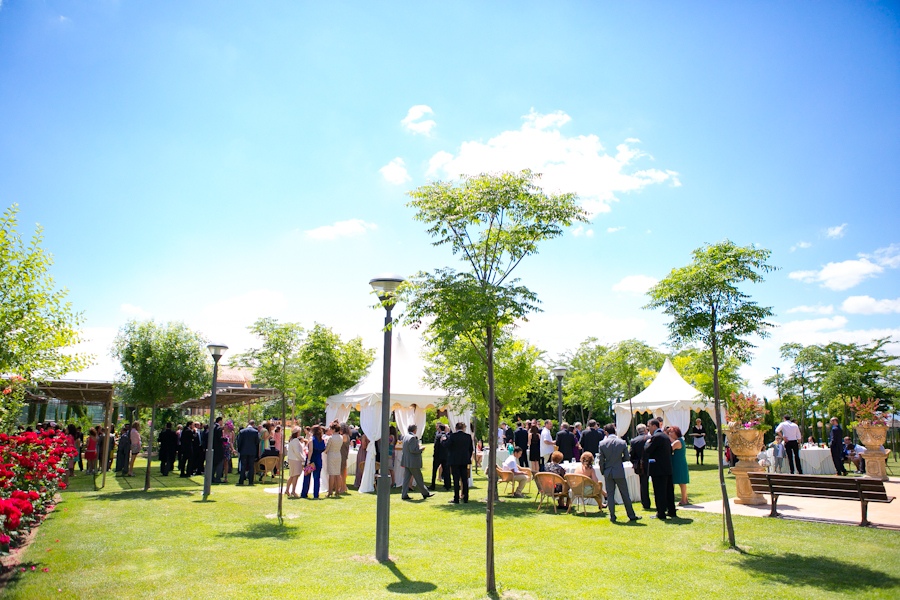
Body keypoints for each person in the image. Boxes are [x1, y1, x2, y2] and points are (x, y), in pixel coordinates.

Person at [597, 424, 640, 522]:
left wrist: (603, 471)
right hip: (619, 470)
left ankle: (612, 515)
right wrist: (619, 460)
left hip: (608, 471)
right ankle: (631, 515)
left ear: (606, 432)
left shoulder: (602, 443)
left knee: (610, 495)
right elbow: (627, 457)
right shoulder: (622, 442)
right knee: (625, 494)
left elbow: (601, 460)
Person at [645, 419, 676, 520]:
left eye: (649, 425)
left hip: (658, 469)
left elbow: (647, 450)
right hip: (667, 468)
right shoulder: (665, 436)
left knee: (659, 491)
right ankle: (671, 510)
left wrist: (647, 442)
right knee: (668, 491)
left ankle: (661, 512)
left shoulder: (656, 437)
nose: (648, 428)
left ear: (654, 426)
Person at [400, 424, 431, 501]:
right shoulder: (413, 438)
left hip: (406, 461)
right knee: (419, 478)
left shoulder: (405, 436)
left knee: (406, 479)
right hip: (413, 462)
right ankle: (425, 493)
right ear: (415, 430)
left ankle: (404, 494)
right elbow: (413, 450)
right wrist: (421, 449)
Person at [445, 422, 474, 504]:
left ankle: (456, 498)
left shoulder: (453, 436)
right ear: (464, 428)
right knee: (465, 479)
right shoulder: (468, 437)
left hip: (454, 461)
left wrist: (443, 440)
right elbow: (471, 449)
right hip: (464, 460)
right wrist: (468, 457)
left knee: (456, 479)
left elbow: (446, 445)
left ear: (456, 428)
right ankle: (466, 497)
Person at [629, 423, 652, 510]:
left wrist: (635, 463)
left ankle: (646, 503)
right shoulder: (651, 438)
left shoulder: (634, 441)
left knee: (643, 484)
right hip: (652, 463)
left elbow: (631, 454)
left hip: (641, 465)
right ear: (645, 430)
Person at [301, 425, 326, 498]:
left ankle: (304, 493)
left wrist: (308, 460)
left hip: (312, 459)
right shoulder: (322, 440)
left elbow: (310, 450)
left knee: (307, 476)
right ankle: (316, 494)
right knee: (317, 478)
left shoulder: (312, 439)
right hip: (318, 459)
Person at [668, 426, 690, 505]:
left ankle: (684, 500)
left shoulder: (678, 442)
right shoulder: (679, 440)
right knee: (681, 482)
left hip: (679, 463)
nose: (670, 434)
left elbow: (670, 449)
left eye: (671, 432)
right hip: (678, 463)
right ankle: (685, 499)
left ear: (676, 433)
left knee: (681, 482)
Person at [236, 420, 260, 486]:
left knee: (243, 466)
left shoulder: (242, 431)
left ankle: (241, 481)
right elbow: (257, 441)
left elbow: (239, 442)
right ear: (253, 424)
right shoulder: (255, 432)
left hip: (243, 451)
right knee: (251, 466)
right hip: (252, 451)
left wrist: (240, 449)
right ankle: (250, 481)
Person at [325, 423, 344, 497]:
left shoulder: (331, 438)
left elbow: (327, 448)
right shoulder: (341, 437)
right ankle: (337, 490)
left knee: (331, 474)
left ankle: (330, 491)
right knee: (337, 473)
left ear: (333, 429)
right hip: (338, 454)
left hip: (331, 455)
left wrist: (325, 451)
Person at [286, 427, 305, 498]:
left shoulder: (292, 440)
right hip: (295, 460)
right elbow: (297, 452)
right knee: (295, 475)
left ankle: (288, 489)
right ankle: (293, 491)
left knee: (292, 475)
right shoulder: (296, 441)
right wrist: (302, 458)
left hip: (292, 459)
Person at [430, 423, 450, 491]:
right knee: (446, 471)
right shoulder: (447, 436)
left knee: (434, 471)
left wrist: (435, 455)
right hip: (445, 456)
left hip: (438, 456)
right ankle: (447, 485)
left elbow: (436, 447)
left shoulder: (438, 436)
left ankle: (433, 485)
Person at [211, 417, 225, 483]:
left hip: (213, 448)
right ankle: (218, 478)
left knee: (213, 463)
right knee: (220, 463)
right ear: (220, 421)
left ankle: (212, 477)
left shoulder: (212, 427)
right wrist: (225, 439)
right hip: (218, 449)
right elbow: (219, 438)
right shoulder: (218, 428)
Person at [339, 423, 351, 494]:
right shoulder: (347, 436)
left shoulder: (344, 436)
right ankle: (344, 486)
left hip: (342, 455)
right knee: (343, 471)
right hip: (344, 455)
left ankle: (342, 487)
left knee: (342, 472)